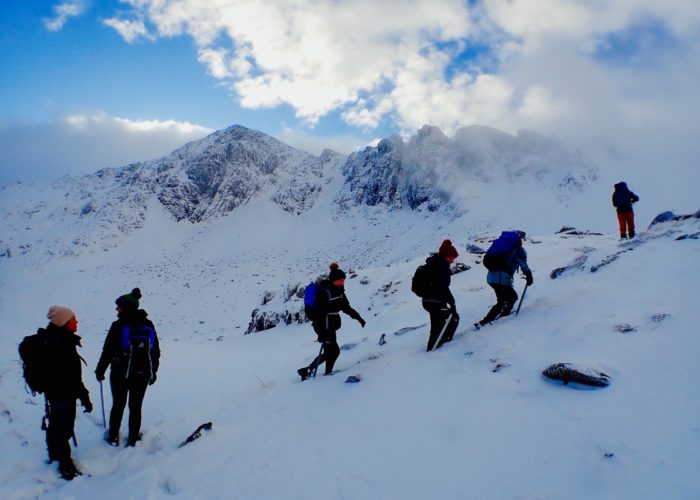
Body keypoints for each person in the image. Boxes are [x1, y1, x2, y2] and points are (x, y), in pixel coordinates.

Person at [95, 288, 160, 447]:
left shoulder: (117, 325)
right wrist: (153, 372)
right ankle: (133, 439)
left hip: (119, 373)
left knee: (118, 404)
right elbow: (155, 351)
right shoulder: (148, 324)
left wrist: (100, 370)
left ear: (126, 308)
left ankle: (113, 437)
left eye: (119, 307)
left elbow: (108, 350)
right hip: (142, 373)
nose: (117, 309)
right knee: (136, 406)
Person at [40, 306, 92, 480]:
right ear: (64, 322)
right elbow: (73, 377)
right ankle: (66, 466)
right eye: (73, 320)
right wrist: (84, 397)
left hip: (54, 394)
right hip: (63, 394)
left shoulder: (52, 339)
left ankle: (54, 455)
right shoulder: (63, 344)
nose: (76, 322)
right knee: (64, 429)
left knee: (55, 425)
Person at [297, 264, 366, 380]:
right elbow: (317, 314)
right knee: (334, 351)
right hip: (324, 326)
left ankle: (309, 370)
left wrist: (359, 318)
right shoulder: (324, 292)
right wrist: (321, 333)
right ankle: (323, 373)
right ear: (333, 280)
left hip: (331, 326)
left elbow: (346, 308)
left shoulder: (339, 293)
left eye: (343, 280)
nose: (342, 283)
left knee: (331, 351)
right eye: (339, 281)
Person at [475, 231, 533, 328]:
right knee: (509, 298)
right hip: (501, 278)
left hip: (491, 278)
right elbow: (523, 264)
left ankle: (495, 318)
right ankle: (491, 320)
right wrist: (529, 275)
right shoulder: (517, 250)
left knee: (505, 299)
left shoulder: (503, 249)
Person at [421, 239, 460, 351]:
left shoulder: (435, 264)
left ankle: (438, 343)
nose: (453, 261)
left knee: (440, 322)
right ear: (447, 256)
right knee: (449, 320)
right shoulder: (441, 267)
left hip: (428, 300)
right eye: (452, 258)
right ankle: (435, 347)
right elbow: (443, 287)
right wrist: (452, 303)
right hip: (435, 301)